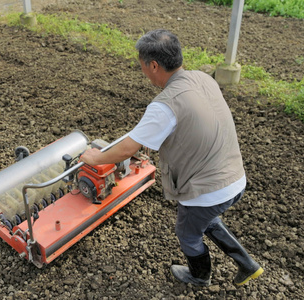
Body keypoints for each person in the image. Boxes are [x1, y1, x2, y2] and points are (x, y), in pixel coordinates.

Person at [80, 29, 263, 287]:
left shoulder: (164, 106)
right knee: (206, 219)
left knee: (187, 233)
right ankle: (248, 265)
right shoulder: (203, 78)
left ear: (153, 65)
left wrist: (96, 158)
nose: (142, 70)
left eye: (142, 65)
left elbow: (125, 150)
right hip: (235, 178)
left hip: (208, 190)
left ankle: (199, 277)